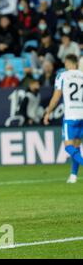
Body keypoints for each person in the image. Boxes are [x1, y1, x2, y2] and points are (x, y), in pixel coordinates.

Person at [44, 54, 83, 183]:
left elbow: (56, 98)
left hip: (71, 116)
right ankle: (73, 176)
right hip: (82, 115)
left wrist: (48, 112)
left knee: (68, 147)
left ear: (67, 63)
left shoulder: (62, 76)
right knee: (76, 147)